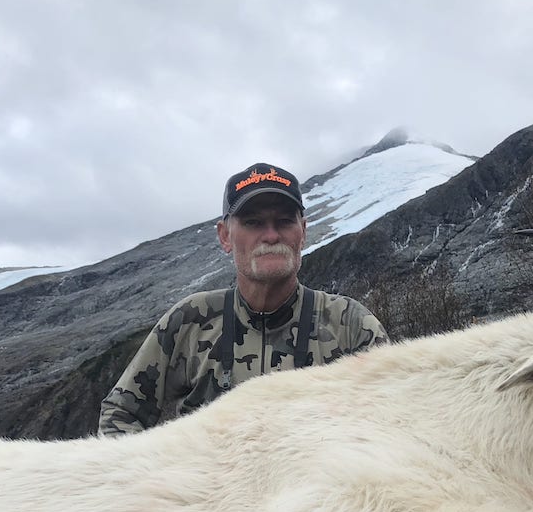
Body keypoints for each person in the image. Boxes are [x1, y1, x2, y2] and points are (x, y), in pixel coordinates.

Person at [98, 162, 387, 435]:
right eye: (253, 223)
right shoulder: (190, 319)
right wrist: (157, 483)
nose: (271, 235)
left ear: (303, 233)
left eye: (284, 221)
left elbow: (393, 419)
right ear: (225, 237)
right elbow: (119, 414)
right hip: (208, 486)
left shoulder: (350, 325)